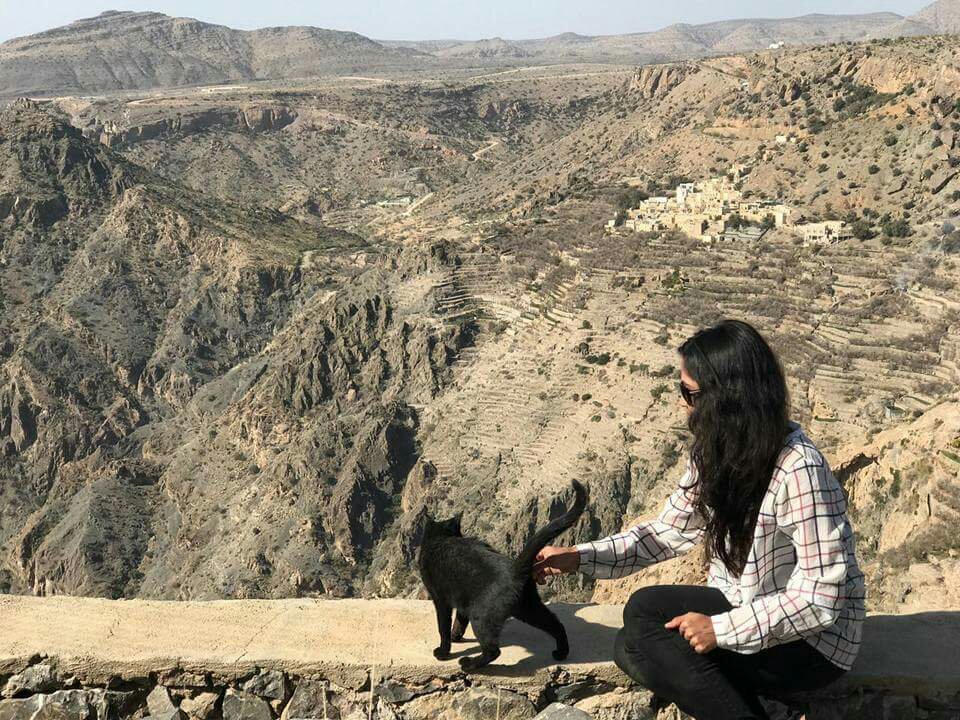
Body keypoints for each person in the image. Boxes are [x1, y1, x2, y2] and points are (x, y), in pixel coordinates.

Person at [533, 319, 865, 720]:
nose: (681, 404)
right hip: (751, 604)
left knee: (641, 638)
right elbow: (666, 533)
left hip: (813, 646)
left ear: (725, 399)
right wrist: (579, 557)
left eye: (687, 393)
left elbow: (819, 599)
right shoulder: (717, 453)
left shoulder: (799, 470)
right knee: (634, 635)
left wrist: (720, 631)